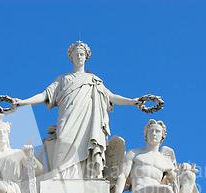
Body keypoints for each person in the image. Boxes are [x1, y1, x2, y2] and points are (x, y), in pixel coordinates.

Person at [14, 40, 142, 179]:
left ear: (86, 57)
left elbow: (111, 96)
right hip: (68, 117)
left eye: (82, 54)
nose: (79, 57)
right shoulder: (62, 79)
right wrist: (22, 102)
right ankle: (61, 178)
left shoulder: (94, 80)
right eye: (77, 54)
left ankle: (87, 177)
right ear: (71, 57)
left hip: (88, 120)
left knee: (87, 145)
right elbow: (45, 95)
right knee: (62, 140)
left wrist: (132, 101)